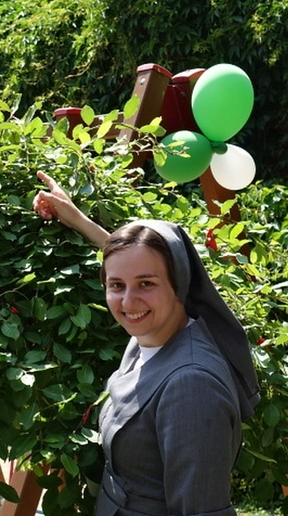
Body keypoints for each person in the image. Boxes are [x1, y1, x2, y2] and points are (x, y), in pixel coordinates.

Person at [33, 170, 260, 516]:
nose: (127, 302)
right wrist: (77, 218)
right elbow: (138, 260)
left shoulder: (191, 386)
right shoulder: (155, 333)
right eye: (116, 286)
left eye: (146, 285)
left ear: (179, 284)